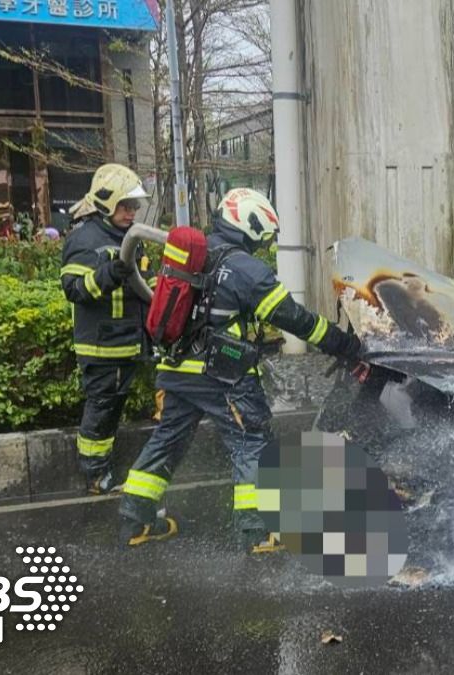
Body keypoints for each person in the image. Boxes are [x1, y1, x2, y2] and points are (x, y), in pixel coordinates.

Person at [118, 188, 366, 553]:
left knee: (168, 439)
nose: (261, 246)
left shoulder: (195, 257)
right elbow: (296, 321)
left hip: (175, 371)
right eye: (261, 238)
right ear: (248, 227)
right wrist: (347, 346)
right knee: (251, 440)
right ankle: (257, 530)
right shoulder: (247, 270)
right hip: (222, 375)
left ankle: (135, 519)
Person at [60, 163, 151, 495]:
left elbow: (142, 288)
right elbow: (74, 289)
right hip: (101, 347)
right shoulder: (85, 239)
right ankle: (95, 474)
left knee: (113, 408)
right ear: (107, 203)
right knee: (102, 410)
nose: (132, 212)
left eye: (134, 206)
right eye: (126, 206)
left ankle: (102, 470)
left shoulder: (129, 238)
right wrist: (110, 273)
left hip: (128, 343)